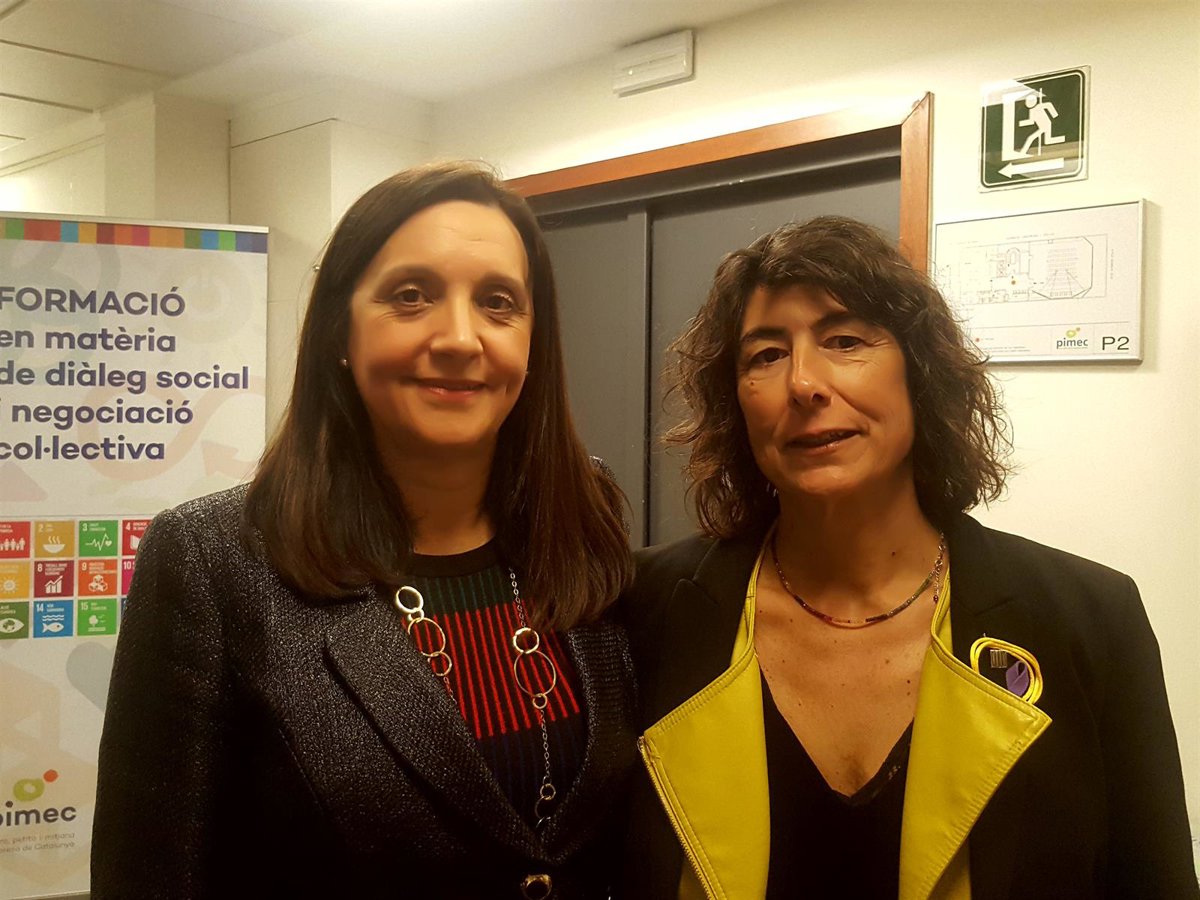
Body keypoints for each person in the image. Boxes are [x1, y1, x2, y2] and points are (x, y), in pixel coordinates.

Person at [92, 162, 636, 899]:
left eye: (498, 302)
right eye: (410, 296)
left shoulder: (582, 516)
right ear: (337, 333)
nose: (460, 337)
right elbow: (151, 876)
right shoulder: (212, 562)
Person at [620, 217, 1197, 899]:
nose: (803, 383)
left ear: (918, 374)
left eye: (844, 341)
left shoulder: (1088, 619)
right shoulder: (648, 609)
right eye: (766, 355)